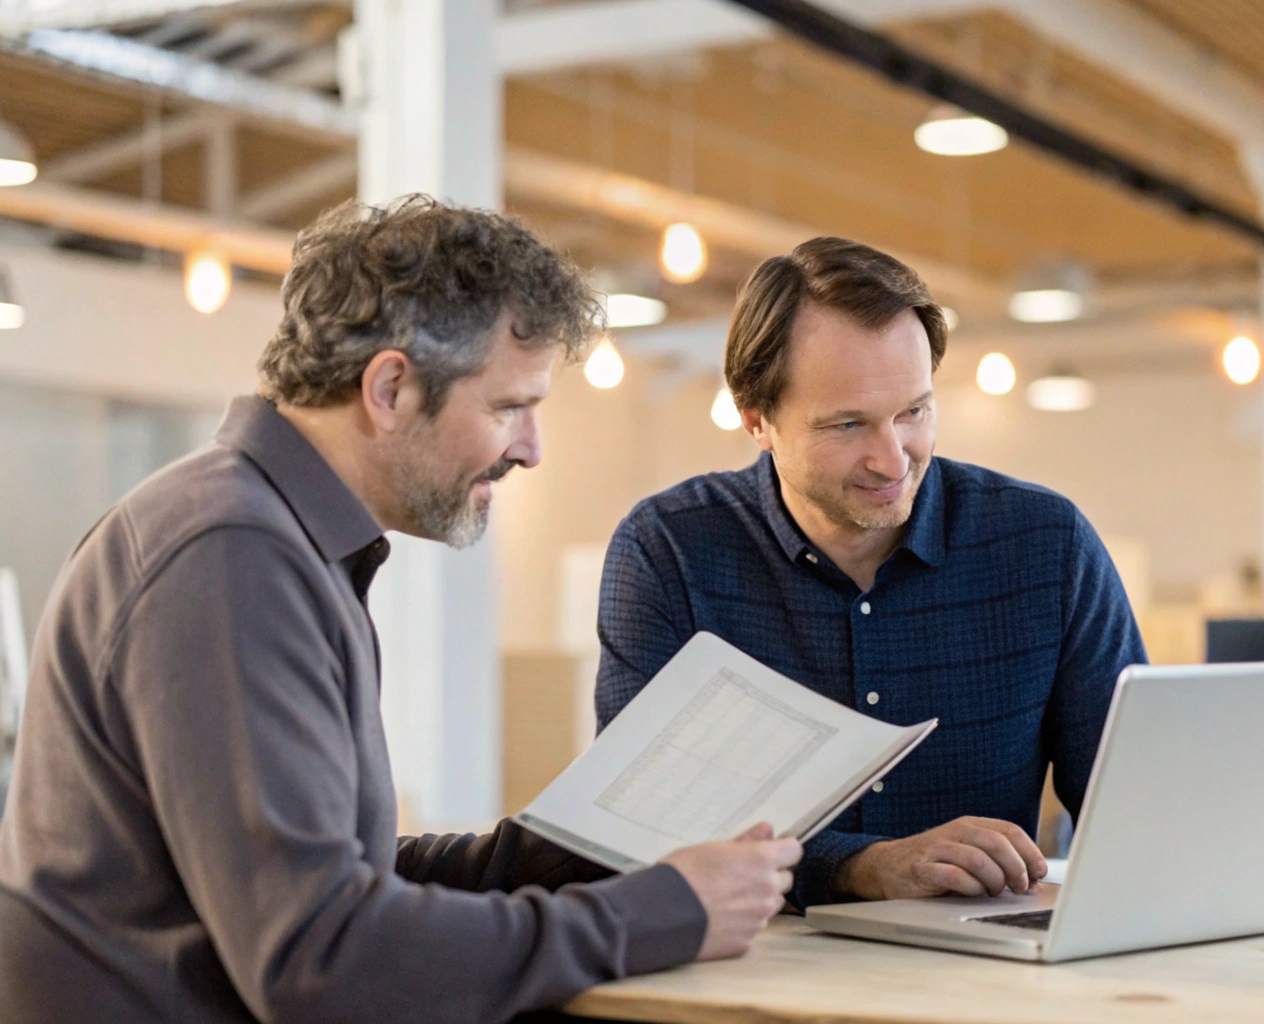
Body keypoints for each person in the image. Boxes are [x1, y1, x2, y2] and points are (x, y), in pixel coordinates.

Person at [0, 195, 799, 1024]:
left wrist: (570, 855)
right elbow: (320, 958)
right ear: (390, 387)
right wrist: (659, 914)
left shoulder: (271, 537)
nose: (531, 448)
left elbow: (351, 879)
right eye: (508, 407)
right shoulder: (233, 555)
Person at [597, 237, 1144, 909]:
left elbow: (1135, 811)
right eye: (849, 425)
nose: (893, 461)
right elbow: (643, 826)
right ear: (756, 418)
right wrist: (860, 866)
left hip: (981, 979)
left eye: (913, 412)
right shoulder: (669, 551)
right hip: (757, 964)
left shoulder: (1048, 546)